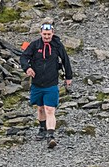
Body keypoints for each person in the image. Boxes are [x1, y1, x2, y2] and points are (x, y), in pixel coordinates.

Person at [19, 19, 72, 149]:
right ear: (41, 33)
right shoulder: (34, 45)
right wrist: (27, 68)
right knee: (40, 108)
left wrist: (68, 77)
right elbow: (23, 57)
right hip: (37, 83)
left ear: (53, 33)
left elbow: (65, 60)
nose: (47, 37)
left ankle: (51, 135)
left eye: (49, 34)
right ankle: (42, 129)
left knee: (50, 109)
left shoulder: (57, 45)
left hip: (51, 83)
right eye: (45, 34)